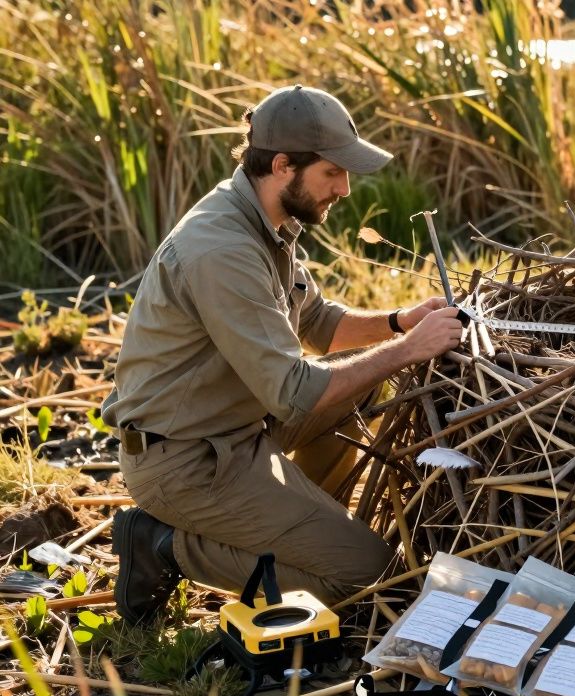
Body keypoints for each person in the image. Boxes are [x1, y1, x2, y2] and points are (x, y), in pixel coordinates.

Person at [102, 85, 467, 624]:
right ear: (281, 165)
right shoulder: (222, 248)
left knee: (362, 383)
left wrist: (398, 322)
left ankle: (296, 526)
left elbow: (319, 324)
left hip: (238, 430)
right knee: (365, 577)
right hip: (183, 461)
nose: (344, 188)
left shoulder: (268, 220)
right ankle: (163, 545)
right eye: (332, 172)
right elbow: (295, 393)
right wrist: (408, 349)